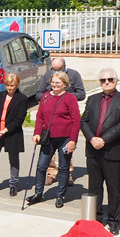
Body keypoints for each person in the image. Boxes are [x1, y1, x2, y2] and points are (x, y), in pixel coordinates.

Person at [80, 68, 120, 235]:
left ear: (116, 81)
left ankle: (114, 220)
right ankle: (96, 218)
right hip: (93, 150)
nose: (106, 82)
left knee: (114, 188)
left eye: (110, 79)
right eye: (103, 80)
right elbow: (84, 121)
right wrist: (91, 139)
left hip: (112, 150)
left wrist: (103, 139)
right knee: (95, 187)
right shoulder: (93, 99)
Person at [28, 72, 80, 208]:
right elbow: (40, 117)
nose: (55, 85)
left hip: (65, 138)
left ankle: (60, 195)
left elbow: (76, 121)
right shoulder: (45, 97)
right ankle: (38, 193)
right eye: (53, 82)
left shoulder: (70, 98)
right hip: (48, 138)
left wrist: (72, 140)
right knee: (41, 166)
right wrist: (36, 133)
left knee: (63, 168)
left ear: (65, 84)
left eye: (58, 83)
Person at [38, 57, 85, 186]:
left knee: (65, 150)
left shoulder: (74, 75)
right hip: (50, 121)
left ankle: (68, 174)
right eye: (54, 69)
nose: (55, 71)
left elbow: (81, 94)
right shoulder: (48, 75)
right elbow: (39, 93)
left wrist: (65, 97)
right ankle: (51, 173)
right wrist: (51, 96)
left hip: (66, 119)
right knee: (49, 153)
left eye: (59, 69)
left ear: (65, 66)